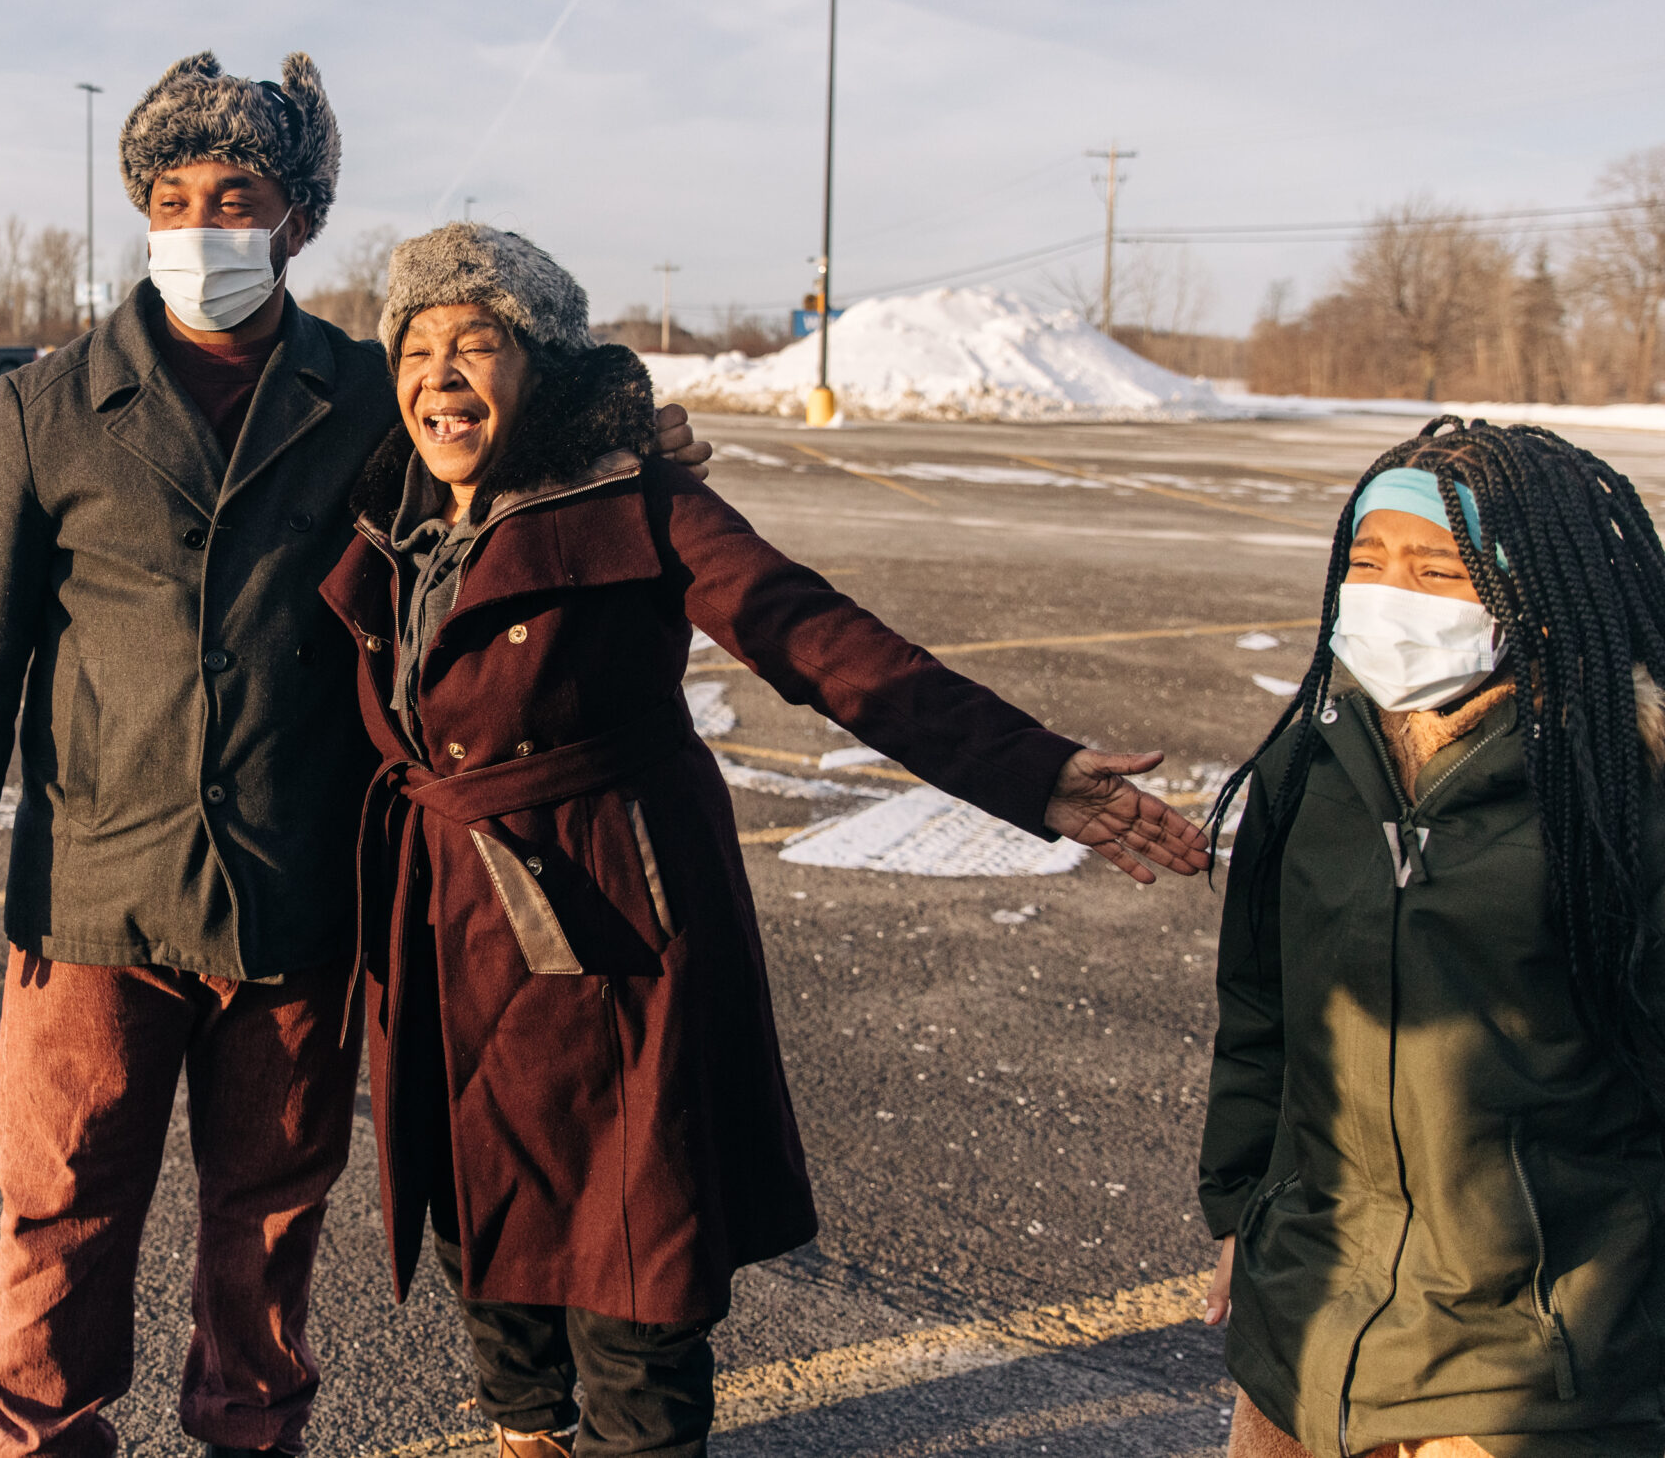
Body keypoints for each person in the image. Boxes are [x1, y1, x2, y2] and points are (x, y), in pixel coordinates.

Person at [0, 53, 712, 1458]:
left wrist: (631, 442)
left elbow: (498, 472)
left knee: (268, 1216)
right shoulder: (47, 404)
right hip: (94, 893)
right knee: (61, 1205)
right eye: (173, 196)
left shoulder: (369, 394)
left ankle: (250, 1433)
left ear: (299, 219)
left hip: (298, 889)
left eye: (237, 195)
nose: (202, 222)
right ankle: (46, 1431)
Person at [319, 222, 1209, 1458]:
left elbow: (811, 633)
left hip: (608, 915)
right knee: (484, 1198)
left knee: (633, 1240)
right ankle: (524, 1431)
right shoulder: (381, 512)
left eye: (477, 342)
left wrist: (1032, 773)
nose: (439, 371)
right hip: (443, 911)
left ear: (545, 368)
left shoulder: (637, 500)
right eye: (416, 346)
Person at [1199, 419, 1665, 1458]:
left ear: (1530, 591)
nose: (1388, 594)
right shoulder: (1308, 769)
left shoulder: (1620, 794)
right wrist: (1243, 1214)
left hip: (1525, 1374)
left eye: (1435, 568)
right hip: (1305, 1334)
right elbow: (1262, 1019)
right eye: (1366, 562)